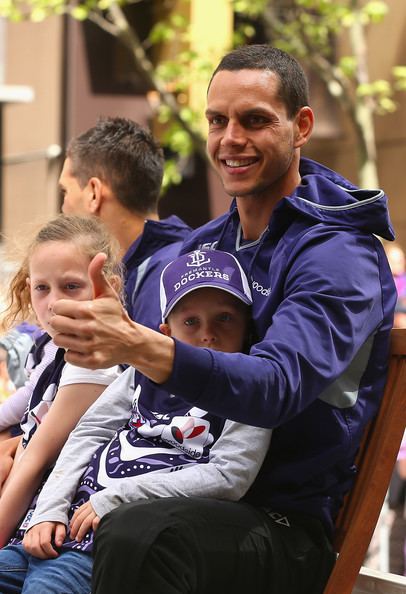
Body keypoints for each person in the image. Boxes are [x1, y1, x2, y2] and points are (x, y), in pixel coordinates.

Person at [47, 45, 397, 594]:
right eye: (218, 120)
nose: (230, 139)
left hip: (279, 521)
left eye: (254, 120)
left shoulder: (338, 254)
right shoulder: (208, 244)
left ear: (301, 126)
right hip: (175, 488)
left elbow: (276, 386)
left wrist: (141, 347)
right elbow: (126, 385)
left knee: (143, 536)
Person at [0, 250, 272, 594]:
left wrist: (115, 497)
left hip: (105, 542)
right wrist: (48, 510)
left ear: (247, 330)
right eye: (190, 322)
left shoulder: (249, 388)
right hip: (51, 529)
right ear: (164, 331)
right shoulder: (142, 374)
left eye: (224, 319)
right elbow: (89, 431)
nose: (208, 335)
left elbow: (229, 474)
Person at [0, 117, 190, 451]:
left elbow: (134, 406)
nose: (61, 207)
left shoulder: (163, 279)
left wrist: (20, 448)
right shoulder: (168, 260)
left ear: (92, 193)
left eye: (64, 191)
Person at [0, 215, 122, 547]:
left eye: (71, 286)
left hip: (62, 532)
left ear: (109, 287)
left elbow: (35, 460)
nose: (53, 302)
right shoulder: (55, 350)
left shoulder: (94, 363)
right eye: (42, 287)